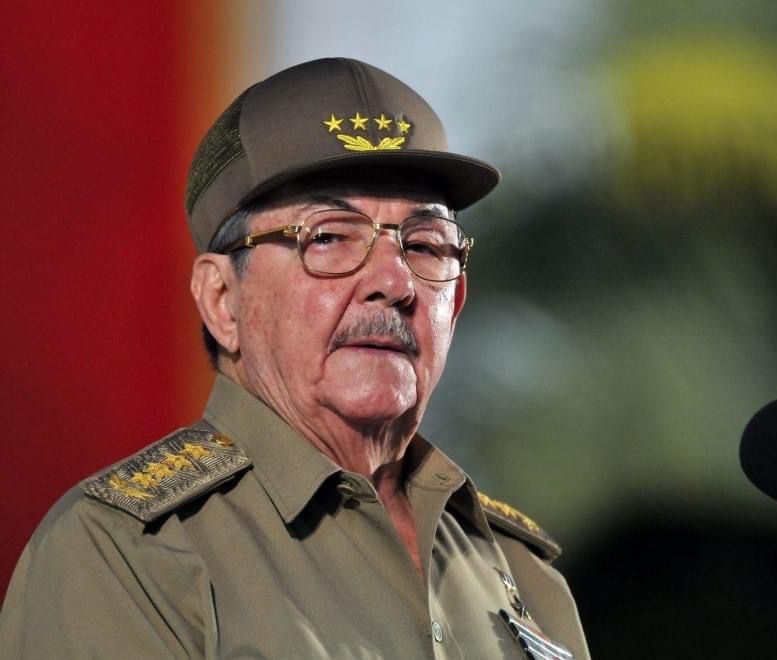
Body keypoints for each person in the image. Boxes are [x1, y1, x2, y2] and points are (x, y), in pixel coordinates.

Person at [0, 58, 589, 659]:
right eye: (328, 237)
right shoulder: (127, 556)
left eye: (424, 245)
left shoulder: (524, 574)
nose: (394, 282)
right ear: (222, 300)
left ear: (455, 300)